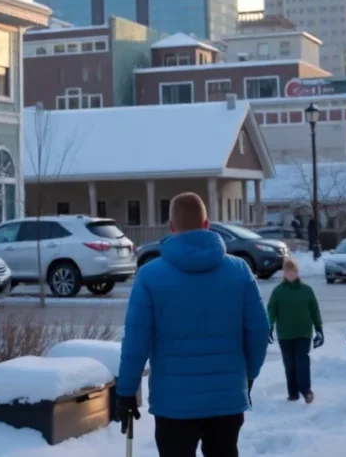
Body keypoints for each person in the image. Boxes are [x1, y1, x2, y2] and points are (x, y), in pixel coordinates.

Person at [116, 192, 270, 457]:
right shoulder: (239, 271)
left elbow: (136, 341)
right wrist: (249, 375)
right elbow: (258, 331)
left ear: (171, 227)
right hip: (226, 398)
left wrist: (127, 391)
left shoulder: (150, 276)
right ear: (207, 224)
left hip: (173, 403)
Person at [267, 258, 324, 403]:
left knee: (302, 362)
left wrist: (319, 330)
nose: (290, 275)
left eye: (293, 272)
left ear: (297, 273)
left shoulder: (306, 291)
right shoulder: (278, 292)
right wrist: (269, 327)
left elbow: (314, 311)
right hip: (285, 335)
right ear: (284, 274)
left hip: (303, 333)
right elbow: (271, 311)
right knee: (289, 364)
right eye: (287, 273)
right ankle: (293, 393)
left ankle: (306, 391)